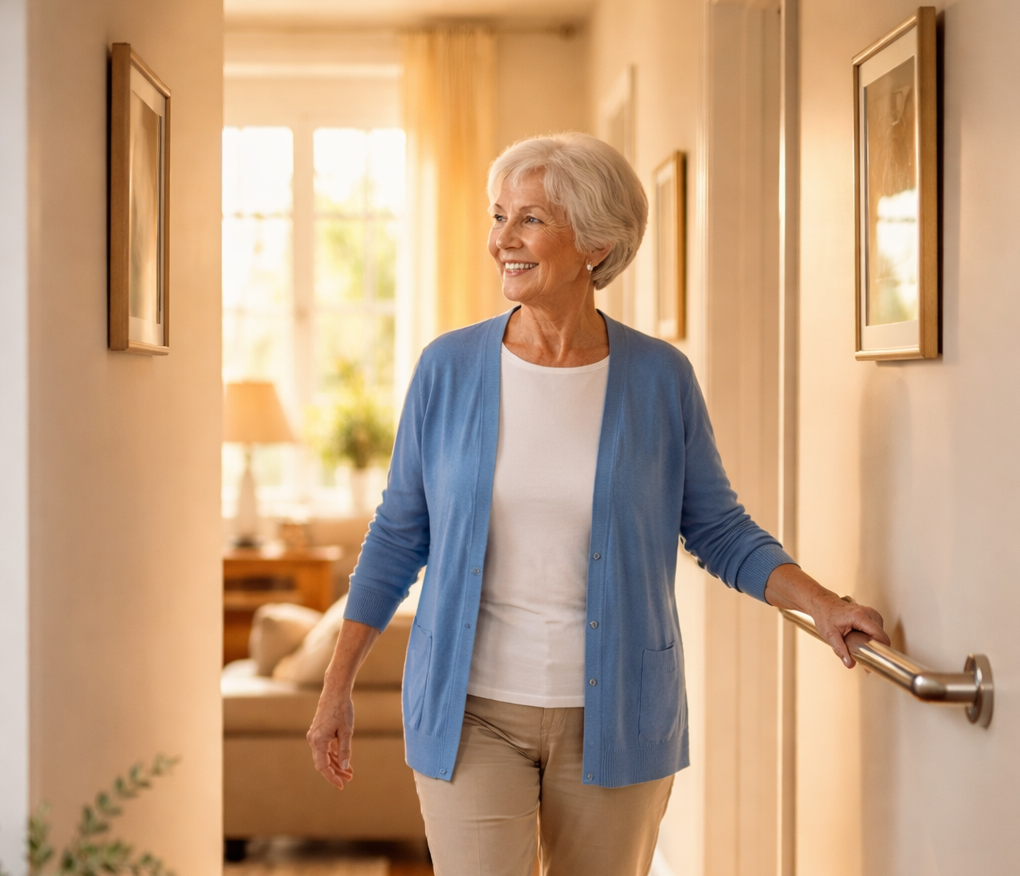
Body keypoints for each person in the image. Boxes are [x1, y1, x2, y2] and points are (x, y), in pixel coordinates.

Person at [307, 133, 888, 876]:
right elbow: (396, 536)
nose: (501, 241)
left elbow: (718, 528)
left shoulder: (658, 379)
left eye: (529, 220)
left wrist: (824, 604)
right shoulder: (447, 369)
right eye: (498, 216)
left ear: (596, 243)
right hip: (470, 712)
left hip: (620, 716)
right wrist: (337, 687)